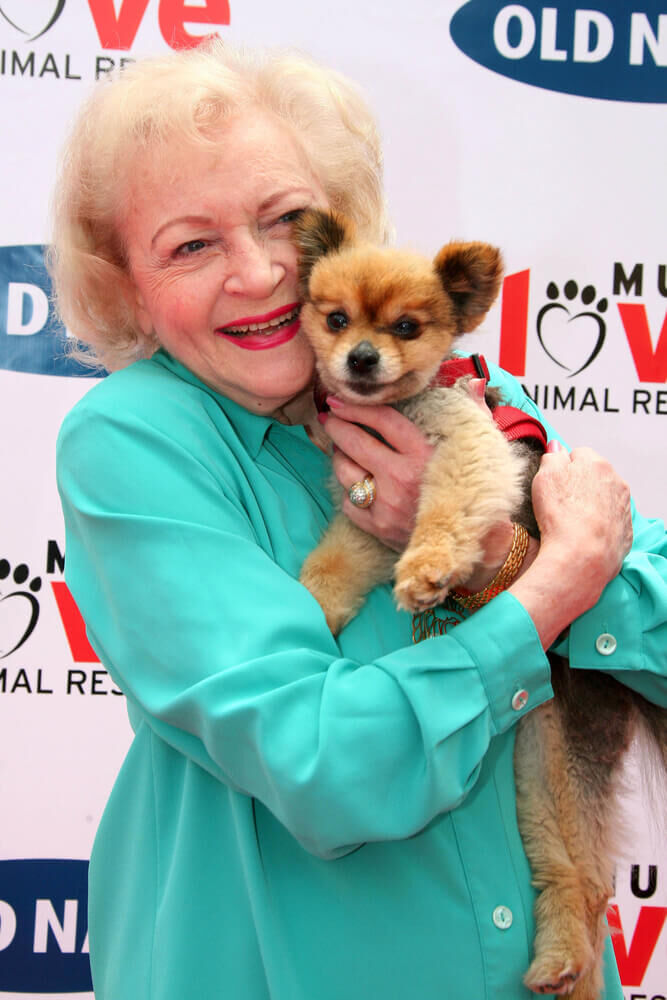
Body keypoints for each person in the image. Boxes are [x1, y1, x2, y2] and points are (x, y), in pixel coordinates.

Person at [50, 40, 666, 1000]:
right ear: (128, 284)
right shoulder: (132, 444)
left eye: (285, 223)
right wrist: (546, 591)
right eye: (190, 245)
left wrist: (495, 556)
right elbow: (325, 764)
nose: (258, 274)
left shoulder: (454, 390)